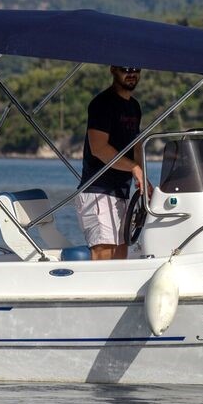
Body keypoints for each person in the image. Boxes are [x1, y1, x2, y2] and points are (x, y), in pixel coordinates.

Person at [76, 65, 146, 260]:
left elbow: (136, 146)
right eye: (126, 69)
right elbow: (99, 148)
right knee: (104, 253)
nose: (131, 73)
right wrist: (133, 167)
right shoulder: (102, 103)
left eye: (136, 69)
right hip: (98, 191)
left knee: (121, 253)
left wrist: (143, 177)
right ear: (113, 69)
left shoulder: (134, 106)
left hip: (121, 192)